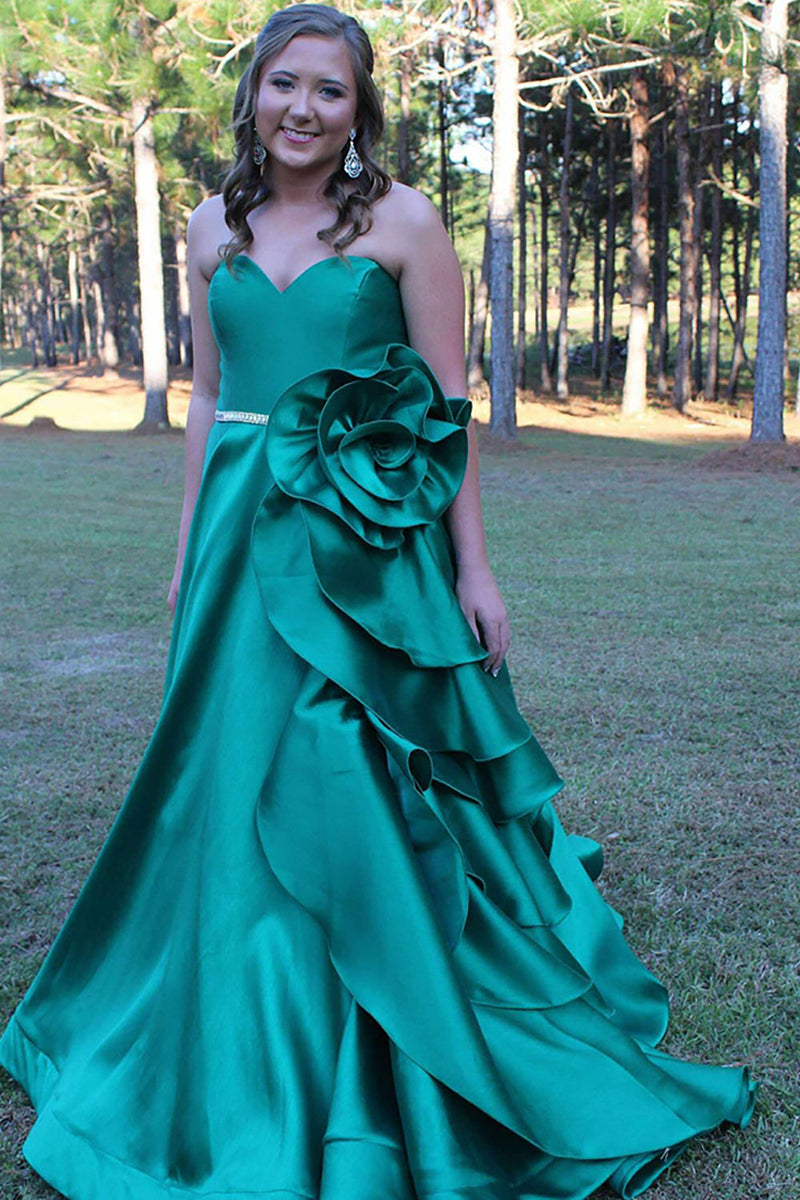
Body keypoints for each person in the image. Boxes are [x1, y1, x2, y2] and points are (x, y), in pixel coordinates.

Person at [0, 5, 756, 1199]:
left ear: (361, 110)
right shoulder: (208, 225)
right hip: (242, 540)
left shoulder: (404, 223)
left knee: (352, 761)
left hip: (365, 539)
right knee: (226, 765)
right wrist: (186, 547)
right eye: (284, 84)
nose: (302, 108)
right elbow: (208, 403)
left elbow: (442, 405)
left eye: (331, 92)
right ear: (253, 93)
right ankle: (237, 996)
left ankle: (385, 994)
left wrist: (473, 567)